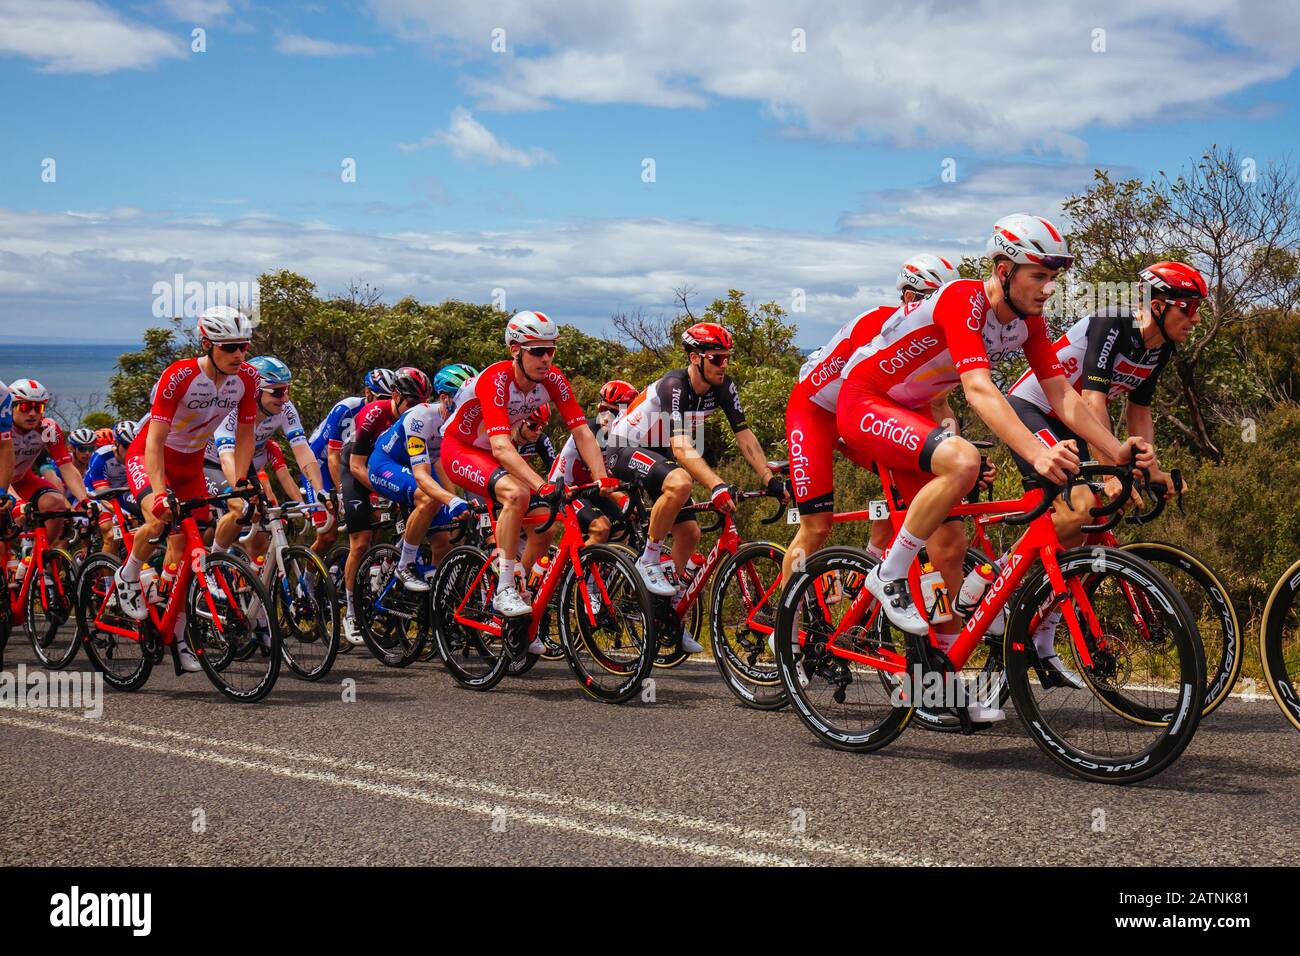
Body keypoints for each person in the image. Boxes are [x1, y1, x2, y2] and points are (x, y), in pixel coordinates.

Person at [835, 214, 1153, 708]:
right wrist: (1037, 450)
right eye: (1038, 276)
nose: (1048, 289)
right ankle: (888, 574)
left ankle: (935, 673)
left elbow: (1062, 397)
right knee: (961, 461)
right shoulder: (965, 298)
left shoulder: (1028, 322)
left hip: (911, 410)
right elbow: (980, 390)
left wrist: (1118, 455)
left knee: (952, 537)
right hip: (865, 400)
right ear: (1004, 269)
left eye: (1053, 279)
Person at [1003, 259, 1204, 676]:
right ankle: (999, 576)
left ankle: (1042, 636)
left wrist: (1153, 470)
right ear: (1160, 305)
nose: (1196, 318)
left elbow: (1139, 412)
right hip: (1032, 408)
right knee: (1080, 509)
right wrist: (1113, 467)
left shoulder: (1160, 346)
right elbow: (1093, 400)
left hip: (1074, 421)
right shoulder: (1112, 319)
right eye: (1188, 307)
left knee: (1084, 530)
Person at [782, 253, 962, 586]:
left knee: (926, 509)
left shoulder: (930, 340)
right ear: (910, 298)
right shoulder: (874, 325)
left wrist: (957, 453)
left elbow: (939, 405)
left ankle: (869, 574)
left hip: (868, 415)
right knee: (817, 525)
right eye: (937, 300)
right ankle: (785, 623)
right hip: (817, 413)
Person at [604, 323, 784, 653]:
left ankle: (664, 615)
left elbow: (744, 436)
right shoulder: (676, 385)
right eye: (717, 358)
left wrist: (769, 479)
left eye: (726, 358)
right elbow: (682, 447)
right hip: (622, 447)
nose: (723, 365)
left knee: (690, 534)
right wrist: (716, 484)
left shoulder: (724, 387)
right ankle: (648, 560)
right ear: (695, 358)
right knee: (681, 481)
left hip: (656, 452)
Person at [439, 310, 614, 626]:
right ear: (515, 350)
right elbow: (502, 447)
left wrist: (602, 477)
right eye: (537, 351)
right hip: (460, 449)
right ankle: (504, 588)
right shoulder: (496, 379)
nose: (546, 358)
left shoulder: (553, 380)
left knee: (545, 527)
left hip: (494, 456)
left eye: (551, 350)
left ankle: (521, 594)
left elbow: (582, 431)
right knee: (518, 493)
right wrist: (542, 484)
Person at [113, 306, 260, 673]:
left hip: (191, 463)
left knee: (184, 555)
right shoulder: (179, 376)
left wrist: (239, 484)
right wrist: (159, 491)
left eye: (244, 346)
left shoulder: (247, 379)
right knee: (160, 517)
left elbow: (245, 434)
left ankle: (178, 636)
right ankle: (128, 574)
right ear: (208, 344)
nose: (239, 355)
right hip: (153, 456)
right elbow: (155, 439)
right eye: (230, 348)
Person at [339, 367, 433, 642]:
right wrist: (387, 491)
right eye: (413, 403)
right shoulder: (374, 413)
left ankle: (393, 586)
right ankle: (351, 612)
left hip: (393, 468)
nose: (418, 409)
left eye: (423, 403)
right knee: (361, 542)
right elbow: (357, 466)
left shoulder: (419, 419)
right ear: (395, 396)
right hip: (357, 469)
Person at [208, 355, 329, 561]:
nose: (285, 399)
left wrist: (320, 491)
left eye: (287, 390)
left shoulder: (285, 408)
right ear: (255, 391)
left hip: (243, 463)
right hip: (211, 462)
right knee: (241, 507)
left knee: (262, 532)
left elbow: (302, 451)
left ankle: (253, 579)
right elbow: (227, 457)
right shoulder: (231, 408)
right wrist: (239, 486)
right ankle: (214, 562)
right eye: (278, 392)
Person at [367, 394, 471, 591]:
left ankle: (435, 605)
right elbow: (422, 477)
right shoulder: (421, 417)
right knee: (429, 498)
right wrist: (451, 499)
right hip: (386, 464)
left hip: (421, 465)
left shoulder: (466, 423)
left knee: (443, 540)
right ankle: (405, 565)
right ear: (443, 399)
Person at [304, 367, 396, 558]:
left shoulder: (389, 415)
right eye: (382, 398)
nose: (386, 404)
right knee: (327, 536)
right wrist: (340, 493)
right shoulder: (347, 408)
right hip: (319, 465)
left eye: (391, 398)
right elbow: (332, 455)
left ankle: (365, 567)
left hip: (350, 464)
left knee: (376, 519)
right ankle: (308, 581)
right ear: (367, 393)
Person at [549, 379, 638, 546]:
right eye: (603, 409)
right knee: (600, 529)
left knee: (620, 532)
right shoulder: (590, 432)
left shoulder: (627, 435)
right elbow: (596, 475)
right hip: (564, 489)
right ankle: (572, 572)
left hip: (591, 490)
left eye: (615, 413)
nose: (606, 417)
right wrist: (623, 500)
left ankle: (599, 569)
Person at [5, 379, 88, 540]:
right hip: (2, 483)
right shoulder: (4, 428)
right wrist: (17, 502)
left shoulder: (48, 428)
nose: (32, 413)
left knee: (56, 503)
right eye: (25, 406)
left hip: (22, 480)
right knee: (4, 541)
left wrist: (84, 500)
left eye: (38, 407)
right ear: (11, 407)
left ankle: (36, 560)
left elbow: (66, 467)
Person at [85, 420, 141, 555]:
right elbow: (103, 494)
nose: (131, 450)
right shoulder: (101, 456)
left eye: (135, 445)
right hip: (99, 494)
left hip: (121, 492)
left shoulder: (141, 453)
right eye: (127, 446)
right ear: (116, 444)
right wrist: (120, 512)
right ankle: (107, 575)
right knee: (110, 534)